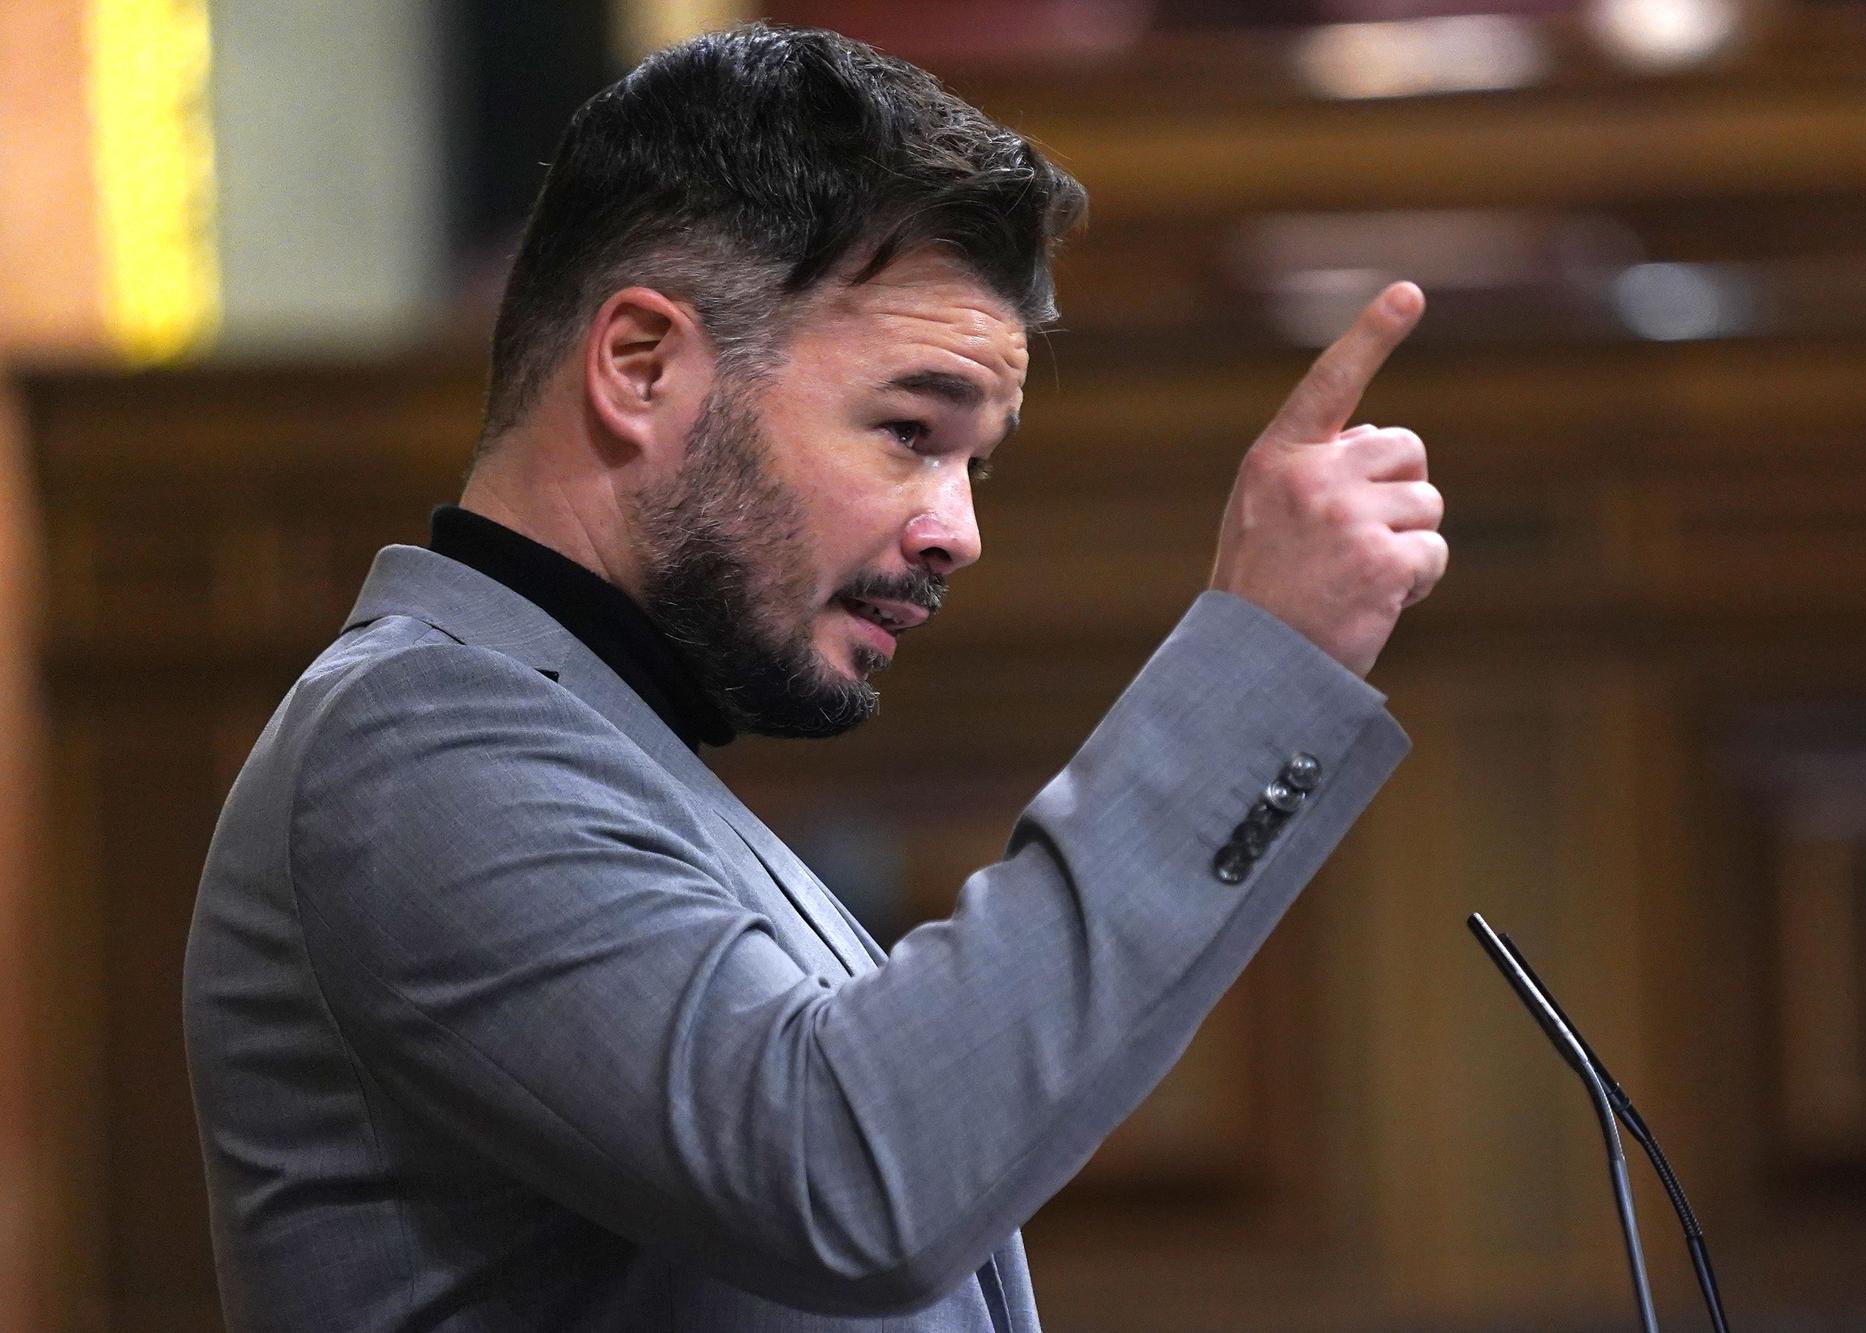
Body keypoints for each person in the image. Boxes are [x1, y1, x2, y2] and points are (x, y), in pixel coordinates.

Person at [183, 23, 1446, 1333]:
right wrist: (1263, 665)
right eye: (911, 431)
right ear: (643, 366)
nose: (957, 528)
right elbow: (856, 1174)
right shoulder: (411, 747)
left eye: (976, 462)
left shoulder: (603, 746)